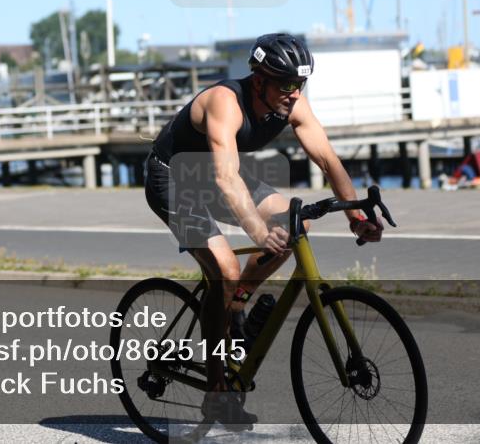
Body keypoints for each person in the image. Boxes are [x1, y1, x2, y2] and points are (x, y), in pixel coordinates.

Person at [144, 32, 384, 427]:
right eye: (287, 84)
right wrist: (258, 231)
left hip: (216, 174)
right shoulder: (225, 104)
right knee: (225, 269)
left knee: (297, 222)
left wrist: (355, 216)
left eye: (301, 84)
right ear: (260, 80)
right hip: (172, 178)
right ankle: (216, 391)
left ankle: (236, 303)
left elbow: (327, 159)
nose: (294, 93)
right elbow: (226, 179)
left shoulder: (293, 104)